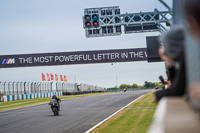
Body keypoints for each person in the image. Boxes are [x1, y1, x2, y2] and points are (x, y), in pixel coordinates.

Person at [154, 25, 186, 102]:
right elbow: (176, 85)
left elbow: (177, 91)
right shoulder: (183, 60)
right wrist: (170, 63)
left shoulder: (185, 60)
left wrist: (157, 95)